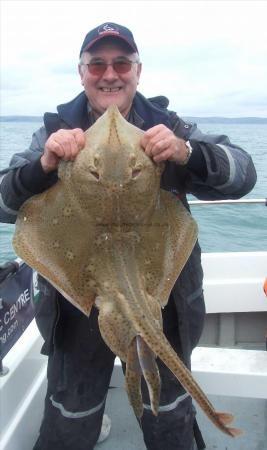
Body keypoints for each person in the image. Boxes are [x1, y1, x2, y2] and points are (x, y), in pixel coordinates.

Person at [0, 22, 257, 450]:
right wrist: (41, 166)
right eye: (97, 65)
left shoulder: (168, 127)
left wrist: (186, 152)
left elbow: (243, 173)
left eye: (121, 63)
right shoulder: (51, 134)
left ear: (138, 71)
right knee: (70, 416)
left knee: (169, 416)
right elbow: (3, 204)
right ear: (81, 73)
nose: (110, 74)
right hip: (75, 311)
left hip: (163, 300)